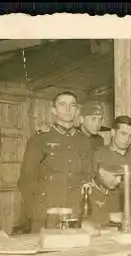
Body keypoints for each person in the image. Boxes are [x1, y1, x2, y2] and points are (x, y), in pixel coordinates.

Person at [18, 91, 93, 232]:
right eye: (62, 105)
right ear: (54, 110)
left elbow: (88, 175)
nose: (67, 109)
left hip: (74, 212)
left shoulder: (84, 141)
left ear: (77, 111)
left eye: (72, 105)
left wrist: (83, 210)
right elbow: (26, 179)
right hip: (46, 213)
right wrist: (36, 212)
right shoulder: (39, 139)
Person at [92, 116, 131, 219]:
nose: (127, 139)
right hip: (101, 215)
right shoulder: (98, 155)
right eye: (123, 134)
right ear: (112, 132)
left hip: (127, 217)